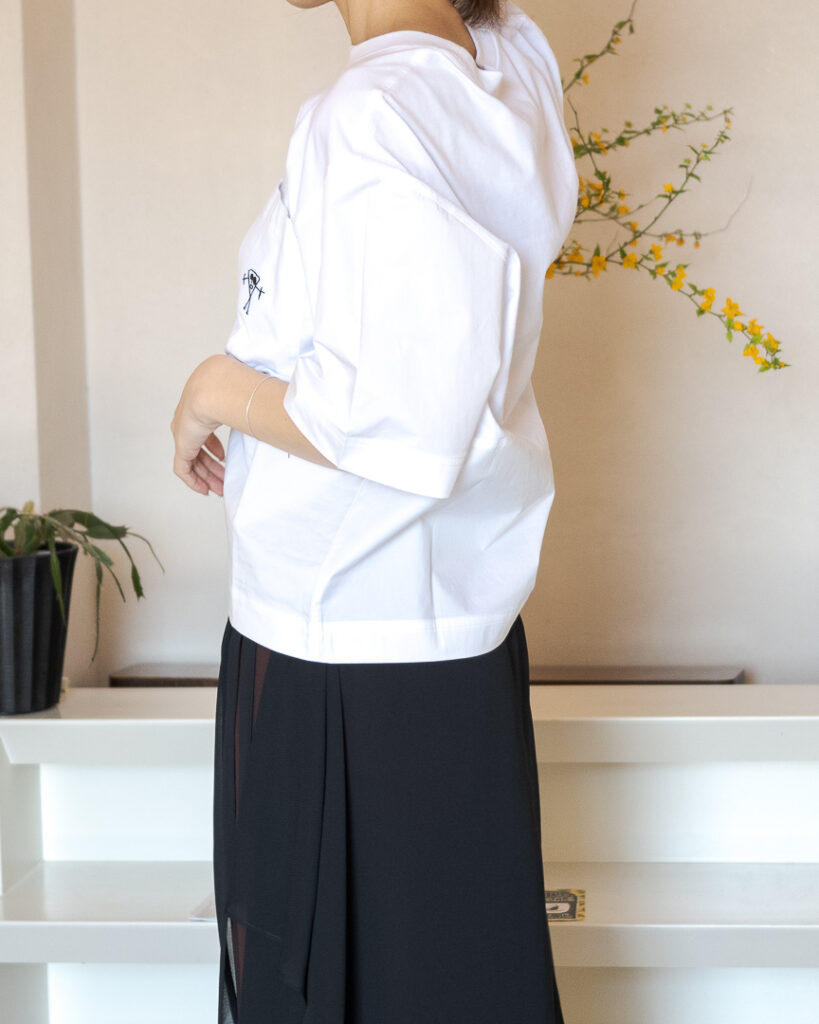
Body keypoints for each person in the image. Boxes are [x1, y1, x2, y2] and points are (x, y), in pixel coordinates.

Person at [170, 0, 578, 1020]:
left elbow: (402, 415)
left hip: (336, 647)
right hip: (439, 636)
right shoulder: (502, 76)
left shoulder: (373, 110)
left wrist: (215, 387)